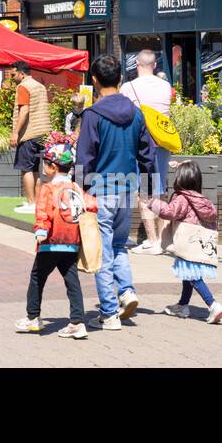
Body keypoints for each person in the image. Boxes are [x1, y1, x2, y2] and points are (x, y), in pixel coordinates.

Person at [75, 53, 156, 331]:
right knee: (120, 246)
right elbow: (148, 153)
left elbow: (84, 157)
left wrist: (80, 189)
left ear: (94, 81)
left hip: (101, 190)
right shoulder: (136, 113)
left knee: (103, 252)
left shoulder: (93, 115)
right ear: (121, 78)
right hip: (127, 189)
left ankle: (109, 312)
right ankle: (127, 292)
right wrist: (149, 187)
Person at [15, 140, 95, 338]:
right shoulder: (75, 187)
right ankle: (77, 322)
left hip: (50, 243)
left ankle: (33, 318)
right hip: (72, 242)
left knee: (37, 278)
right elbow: (91, 204)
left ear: (52, 166)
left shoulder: (48, 189)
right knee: (72, 282)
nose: (43, 167)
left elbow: (42, 211)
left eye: (45, 163)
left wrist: (41, 230)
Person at [146, 161, 222, 323]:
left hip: (186, 241)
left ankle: (213, 305)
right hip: (198, 242)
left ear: (180, 180)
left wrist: (152, 203)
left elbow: (169, 212)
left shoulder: (183, 198)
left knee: (193, 275)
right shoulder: (201, 199)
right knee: (187, 273)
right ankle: (183, 305)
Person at [121, 50, 176, 254]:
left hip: (141, 142)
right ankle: (162, 240)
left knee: (144, 191)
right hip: (162, 141)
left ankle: (152, 241)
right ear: (154, 65)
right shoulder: (165, 85)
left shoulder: (128, 87)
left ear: (137, 64)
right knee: (160, 189)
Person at [10, 62, 51, 216]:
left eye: (13, 75)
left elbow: (24, 111)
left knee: (26, 169)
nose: (12, 78)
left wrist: (15, 133)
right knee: (36, 169)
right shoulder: (40, 86)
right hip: (43, 132)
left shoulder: (23, 87)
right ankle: (36, 202)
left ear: (22, 73)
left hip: (29, 133)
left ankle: (31, 203)